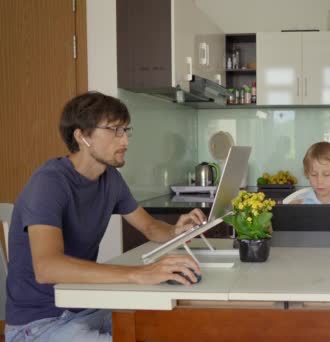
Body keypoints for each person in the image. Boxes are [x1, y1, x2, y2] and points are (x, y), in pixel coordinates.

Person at [5, 92, 206, 342]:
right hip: (40, 324)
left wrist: (177, 230)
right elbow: (47, 267)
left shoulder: (109, 178)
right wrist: (138, 274)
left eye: (125, 130)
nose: (125, 140)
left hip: (88, 305)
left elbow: (150, 227)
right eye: (114, 130)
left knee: (170, 327)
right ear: (82, 136)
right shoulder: (49, 183)